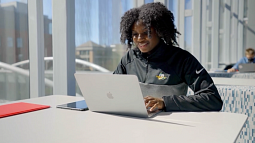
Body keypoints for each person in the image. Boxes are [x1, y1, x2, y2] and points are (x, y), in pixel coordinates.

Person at [113, 2, 223, 112]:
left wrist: (165, 103)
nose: (140, 38)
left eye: (146, 33)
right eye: (135, 34)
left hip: (172, 125)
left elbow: (213, 99)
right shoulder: (128, 59)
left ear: (159, 31)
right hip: (134, 124)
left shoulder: (182, 59)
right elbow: (111, 91)